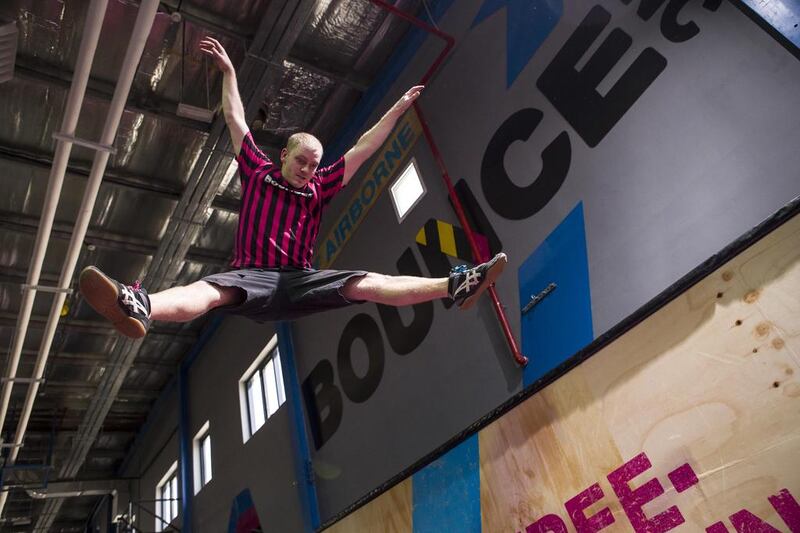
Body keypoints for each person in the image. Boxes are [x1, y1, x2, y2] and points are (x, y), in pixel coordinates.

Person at [79, 37, 507, 339]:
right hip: (252, 277)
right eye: (302, 161)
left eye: (314, 165)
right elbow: (235, 119)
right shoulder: (257, 170)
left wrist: (396, 109)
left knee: (366, 283)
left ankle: (457, 286)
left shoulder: (320, 187)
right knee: (210, 292)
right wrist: (229, 72)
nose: (307, 170)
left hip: (299, 281)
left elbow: (364, 148)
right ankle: (140, 305)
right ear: (284, 154)